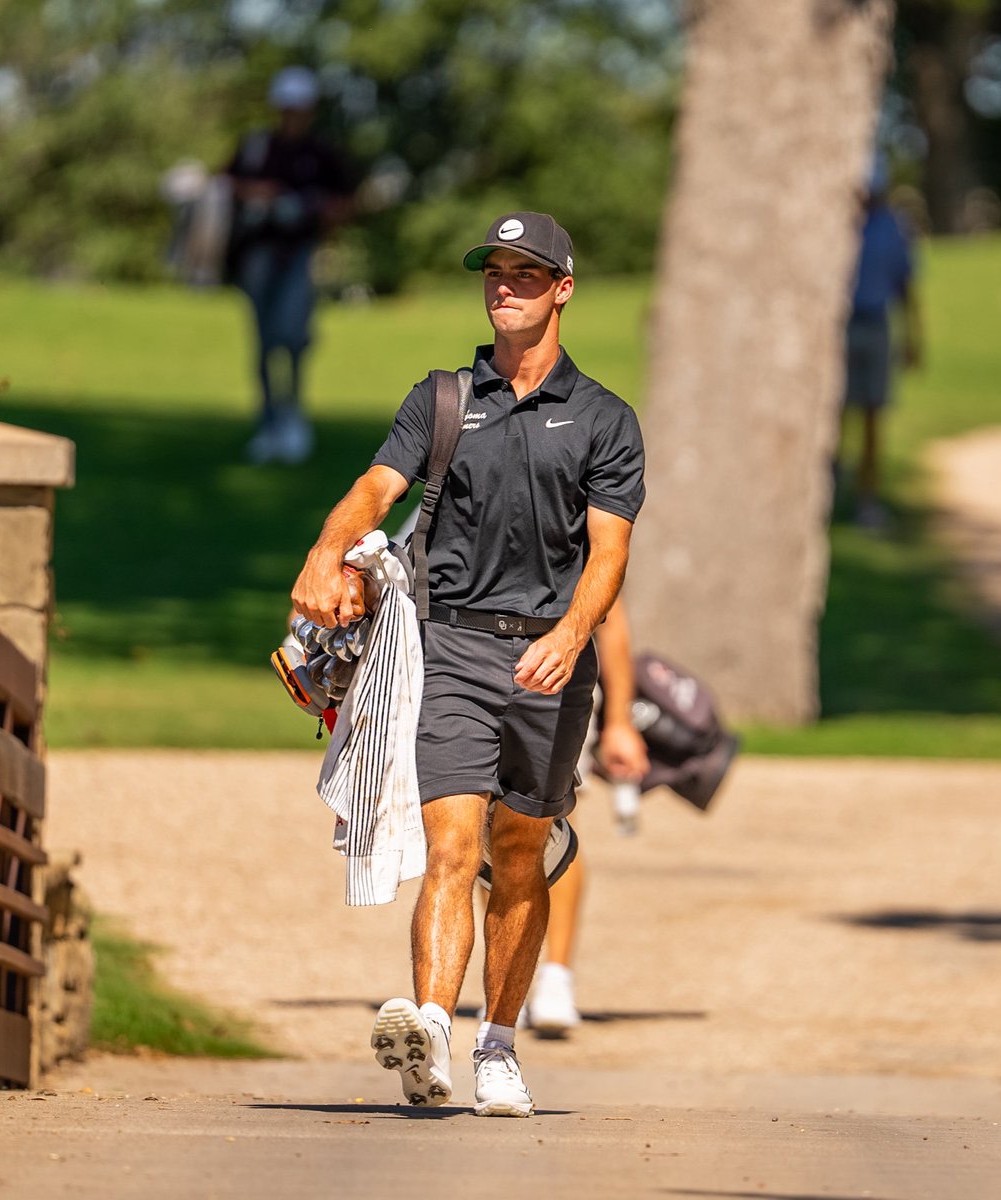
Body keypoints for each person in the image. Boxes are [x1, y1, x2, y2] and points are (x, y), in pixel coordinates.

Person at [291, 212, 645, 1117]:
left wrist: (570, 638)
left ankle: (499, 1045)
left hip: (550, 661)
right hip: (448, 649)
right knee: (452, 844)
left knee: (519, 851)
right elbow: (376, 490)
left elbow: (608, 555)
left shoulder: (605, 419)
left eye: (525, 274)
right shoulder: (443, 399)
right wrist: (323, 556)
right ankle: (434, 1031)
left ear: (562, 289)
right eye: (493, 271)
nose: (503, 285)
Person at [526, 595, 649, 1037]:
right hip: (476, 667)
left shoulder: (576, 522)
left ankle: (556, 976)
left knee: (552, 823)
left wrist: (618, 720)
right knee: (487, 831)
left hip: (561, 675)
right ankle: (511, 977)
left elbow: (610, 619)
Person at [225, 67, 356, 465]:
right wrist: (262, 194)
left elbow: (347, 201)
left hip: (300, 256)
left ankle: (293, 419)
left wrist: (317, 209)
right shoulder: (258, 146)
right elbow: (227, 183)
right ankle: (269, 426)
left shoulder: (321, 152)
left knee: (294, 337)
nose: (293, 116)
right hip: (259, 256)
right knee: (265, 341)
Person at [841, 155, 922, 532]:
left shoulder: (894, 226)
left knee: (873, 415)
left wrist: (914, 336)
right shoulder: (837, 223)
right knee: (833, 416)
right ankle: (829, 490)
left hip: (876, 325)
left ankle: (867, 500)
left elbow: (906, 286)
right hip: (838, 328)